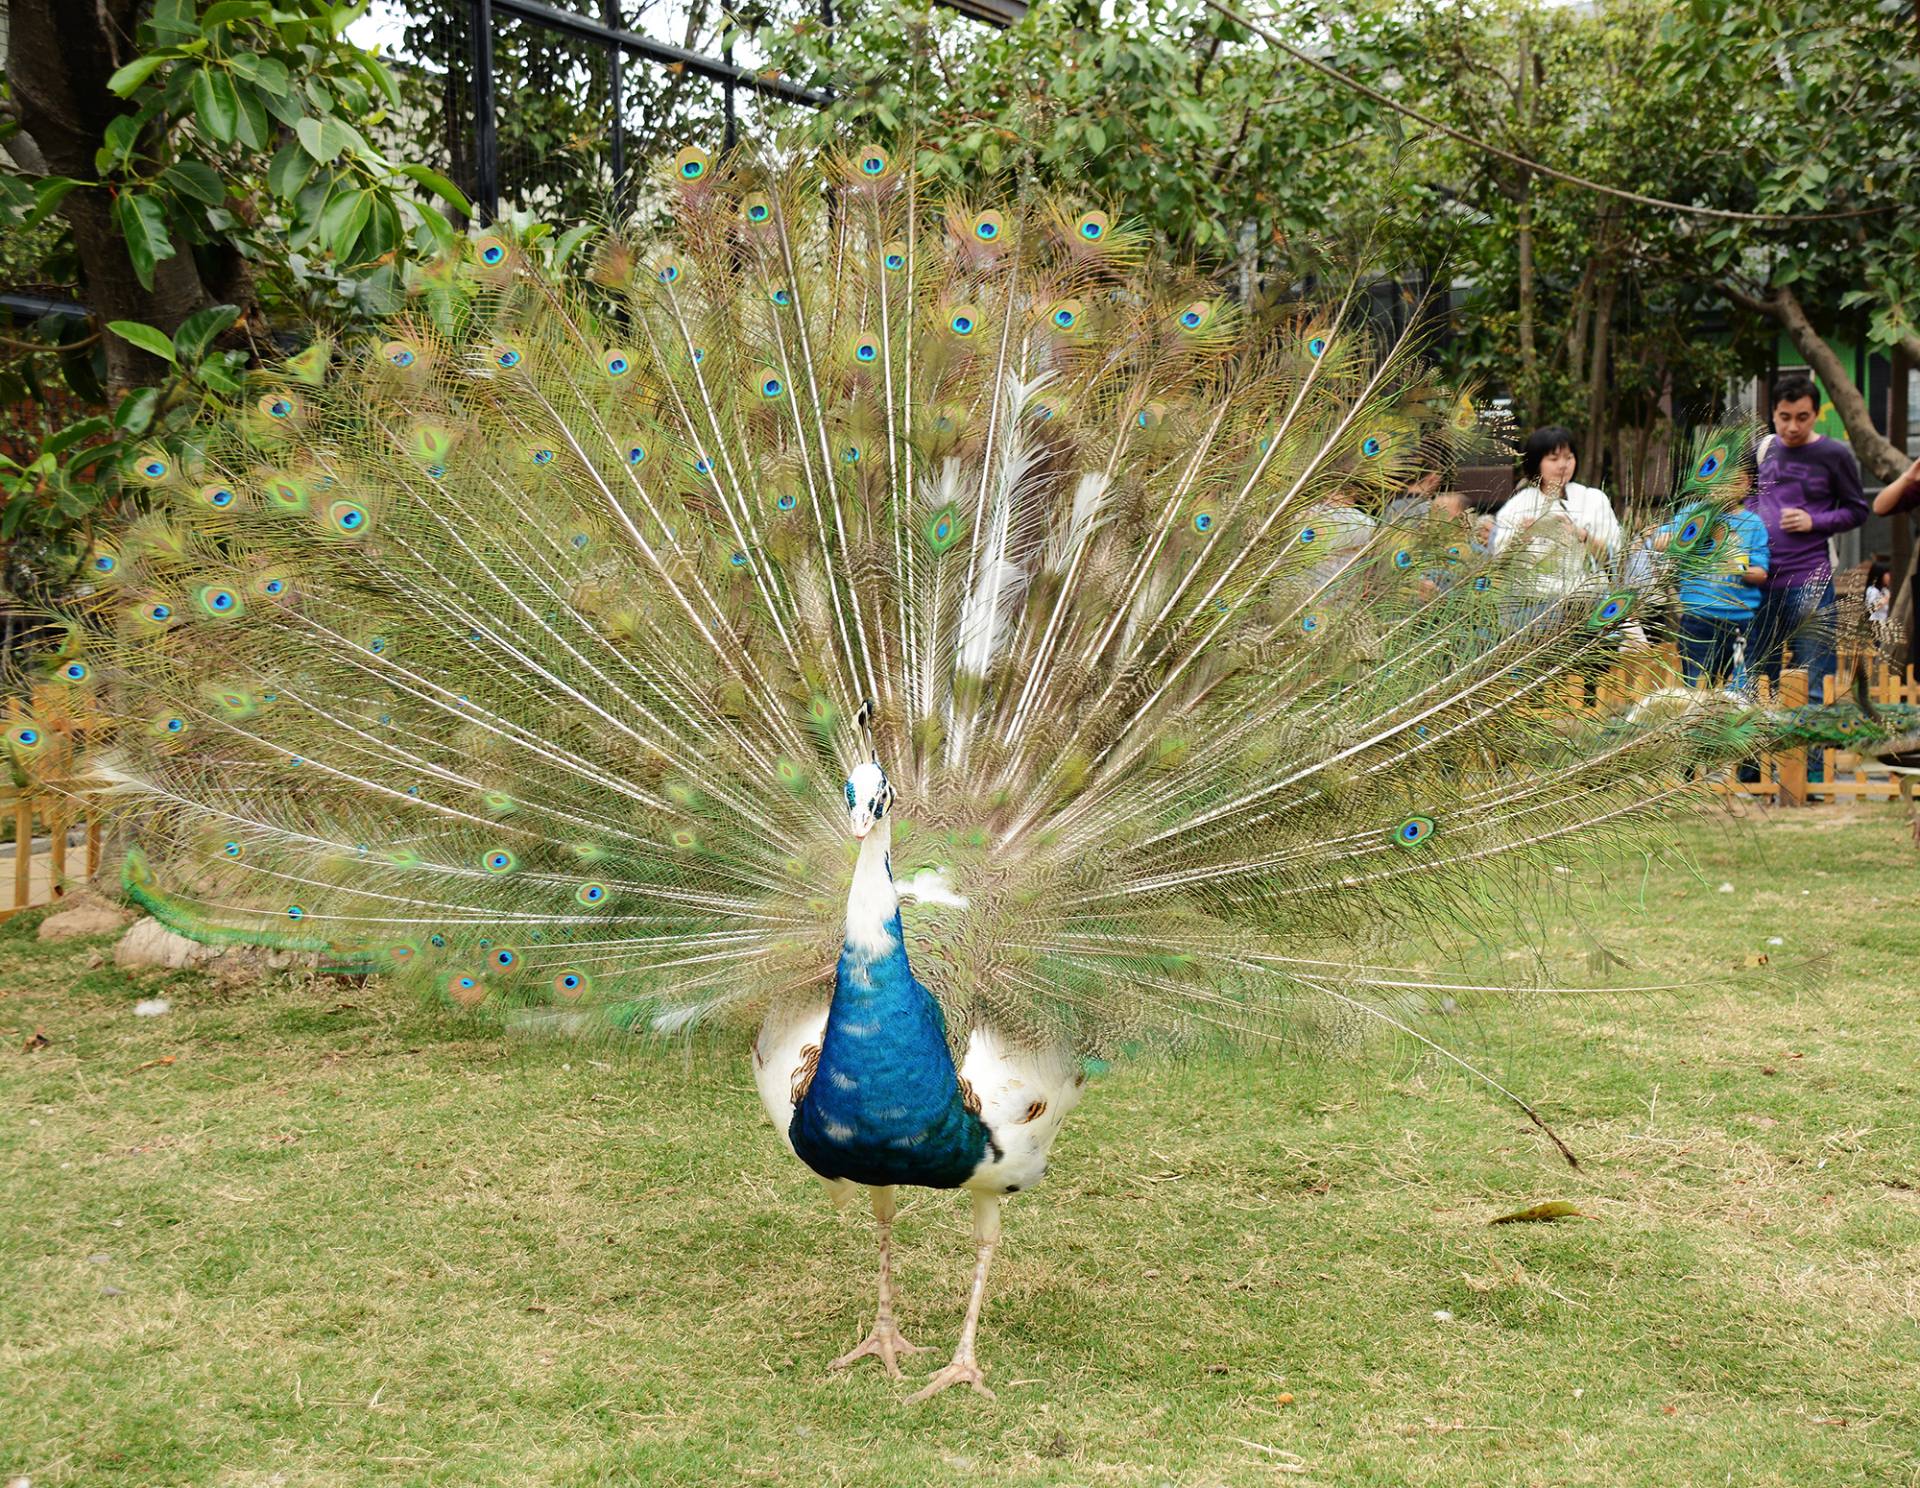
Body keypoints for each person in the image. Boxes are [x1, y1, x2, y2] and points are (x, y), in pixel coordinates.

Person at [1745, 372, 1868, 702]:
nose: (1793, 427)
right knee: (1757, 681)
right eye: (1784, 418)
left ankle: (1813, 756)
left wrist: (1813, 520)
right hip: (1761, 581)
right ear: (1773, 414)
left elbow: (1858, 510)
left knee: (1815, 681)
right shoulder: (1762, 450)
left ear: (1815, 415)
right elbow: (1745, 494)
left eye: (1802, 418)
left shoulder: (1834, 455)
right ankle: (1755, 756)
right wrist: (1754, 515)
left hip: (1809, 581)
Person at [1492, 427, 1623, 603]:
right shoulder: (1517, 506)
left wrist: (1582, 535)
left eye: (1569, 457)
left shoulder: (1594, 499)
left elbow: (1614, 554)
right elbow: (1498, 562)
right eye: (1553, 459)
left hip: (1589, 603)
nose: (1563, 465)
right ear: (1536, 462)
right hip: (1532, 607)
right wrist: (1521, 537)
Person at [1653, 501, 1770, 689]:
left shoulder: (1753, 523)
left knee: (1739, 690)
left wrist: (1735, 561)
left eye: (1736, 479)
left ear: (1747, 482)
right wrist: (1695, 532)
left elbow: (1761, 573)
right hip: (1698, 618)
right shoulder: (1693, 512)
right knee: (1696, 688)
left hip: (1739, 620)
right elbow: (1658, 543)